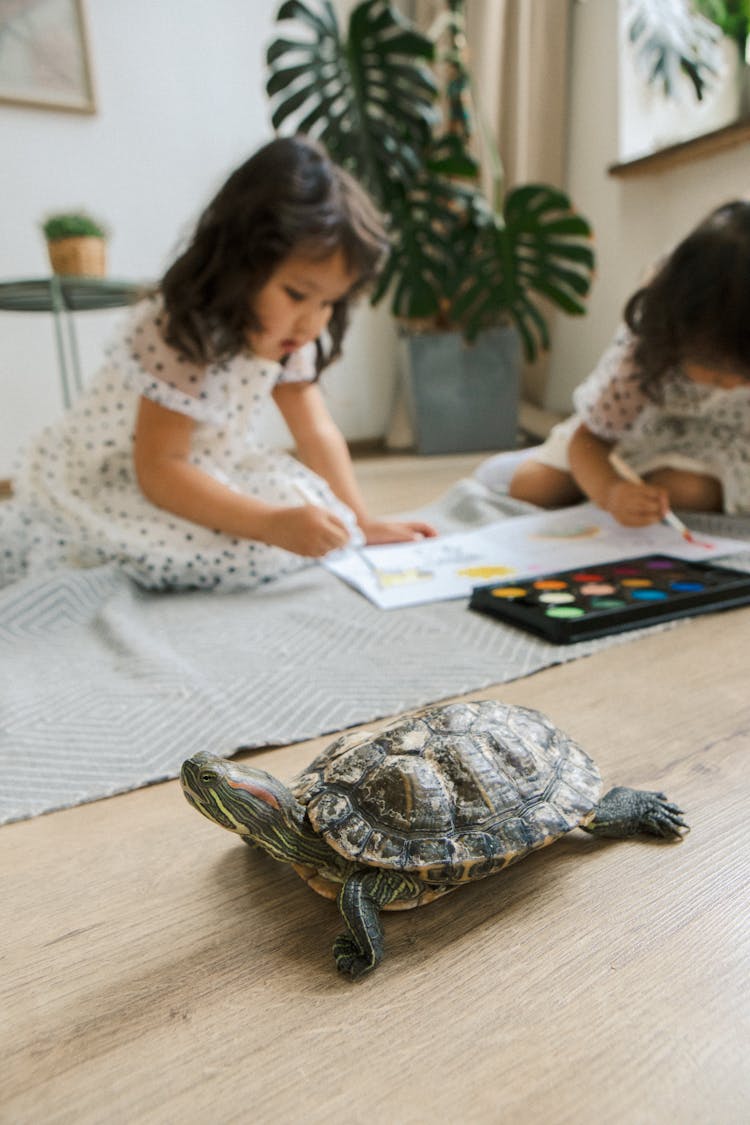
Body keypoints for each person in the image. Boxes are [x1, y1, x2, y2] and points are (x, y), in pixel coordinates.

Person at [2, 136, 436, 590]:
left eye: (330, 303)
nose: (312, 321)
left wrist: (362, 522)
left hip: (206, 468)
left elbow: (315, 431)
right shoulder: (178, 329)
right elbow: (161, 469)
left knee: (316, 509)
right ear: (242, 263)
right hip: (125, 477)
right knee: (247, 540)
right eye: (296, 294)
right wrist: (271, 524)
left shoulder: (291, 332)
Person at [481, 200, 750, 526]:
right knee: (531, 487)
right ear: (680, 330)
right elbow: (589, 440)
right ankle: (552, 464)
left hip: (724, 447)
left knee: (679, 494)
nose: (734, 383)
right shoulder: (648, 347)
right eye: (718, 368)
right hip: (634, 431)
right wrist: (610, 492)